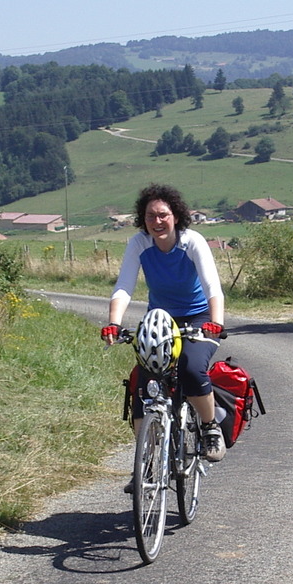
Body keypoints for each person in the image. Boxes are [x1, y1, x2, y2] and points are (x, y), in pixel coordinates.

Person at [101, 183, 226, 467]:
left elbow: (212, 287)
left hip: (199, 318)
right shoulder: (139, 243)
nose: (156, 222)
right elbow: (124, 287)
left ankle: (209, 428)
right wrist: (113, 323)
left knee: (192, 368)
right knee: (143, 383)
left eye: (162, 215)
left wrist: (215, 323)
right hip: (160, 321)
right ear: (142, 219)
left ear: (176, 216)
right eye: (150, 216)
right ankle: (144, 461)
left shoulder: (192, 241)